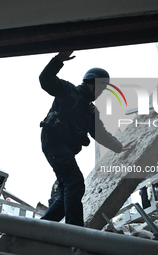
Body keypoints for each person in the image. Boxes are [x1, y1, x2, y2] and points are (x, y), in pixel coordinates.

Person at [39, 51, 134, 226]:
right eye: (101, 87)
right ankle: (75, 231)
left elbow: (100, 133)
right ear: (91, 83)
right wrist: (58, 60)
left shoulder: (90, 111)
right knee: (75, 182)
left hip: (64, 150)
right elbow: (45, 80)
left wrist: (119, 147)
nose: (101, 92)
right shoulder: (69, 92)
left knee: (67, 192)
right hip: (54, 143)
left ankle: (38, 228)